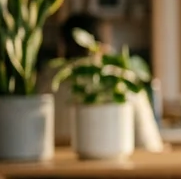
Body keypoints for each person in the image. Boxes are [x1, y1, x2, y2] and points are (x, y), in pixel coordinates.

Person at [49, 12, 163, 152]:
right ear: (103, 46)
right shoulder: (121, 79)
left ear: (63, 45)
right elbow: (149, 144)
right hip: (112, 170)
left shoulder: (46, 79)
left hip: (53, 171)